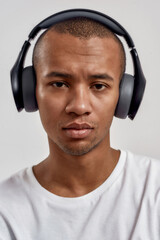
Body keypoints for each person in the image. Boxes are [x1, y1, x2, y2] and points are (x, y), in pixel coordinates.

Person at [0, 10, 160, 240]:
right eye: (59, 83)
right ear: (30, 91)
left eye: (98, 86)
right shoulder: (4, 210)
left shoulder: (154, 193)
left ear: (126, 95)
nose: (79, 106)